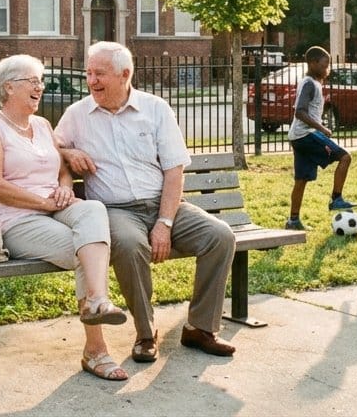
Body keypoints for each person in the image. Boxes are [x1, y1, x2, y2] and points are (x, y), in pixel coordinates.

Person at [56, 41, 237, 364]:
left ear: (125, 74)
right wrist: (68, 152)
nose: (92, 81)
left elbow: (173, 170)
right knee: (128, 244)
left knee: (219, 236)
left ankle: (200, 327)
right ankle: (144, 332)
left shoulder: (155, 109)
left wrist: (164, 224)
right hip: (115, 209)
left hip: (162, 203)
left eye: (100, 74)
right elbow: (49, 147)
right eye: (89, 73)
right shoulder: (77, 115)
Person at [0, 54, 130, 380]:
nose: (40, 87)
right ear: (9, 87)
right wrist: (43, 203)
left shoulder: (43, 125)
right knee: (85, 250)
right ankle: (96, 350)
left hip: (53, 209)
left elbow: (61, 171)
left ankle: (97, 300)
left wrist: (63, 189)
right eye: (33, 81)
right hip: (14, 219)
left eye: (40, 82)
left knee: (93, 209)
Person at [284, 46, 355, 230]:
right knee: (345, 157)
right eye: (324, 65)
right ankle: (336, 199)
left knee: (301, 180)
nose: (327, 69)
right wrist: (322, 127)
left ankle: (293, 221)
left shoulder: (311, 82)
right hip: (306, 135)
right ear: (313, 63)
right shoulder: (309, 83)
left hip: (297, 137)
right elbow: (299, 112)